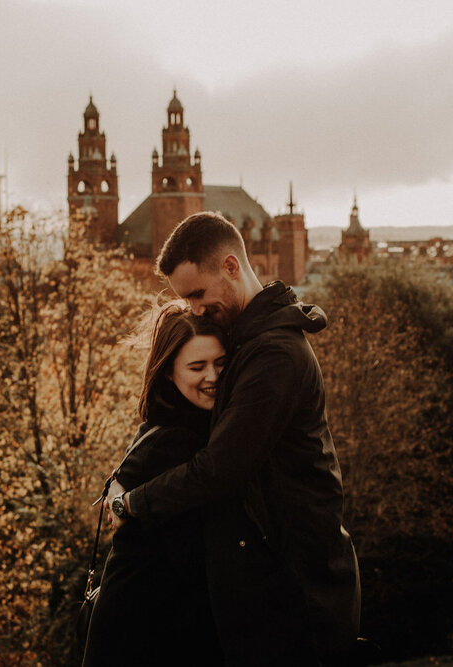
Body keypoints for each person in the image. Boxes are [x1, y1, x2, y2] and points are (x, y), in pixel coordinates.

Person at [107, 211, 361, 666]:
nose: (196, 309)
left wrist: (132, 502)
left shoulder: (274, 355)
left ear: (230, 266)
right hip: (276, 591)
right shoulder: (247, 341)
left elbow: (220, 468)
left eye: (198, 294)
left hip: (298, 594)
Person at [82, 302, 227, 667]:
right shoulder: (177, 443)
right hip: (144, 636)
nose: (213, 376)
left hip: (143, 627)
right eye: (197, 367)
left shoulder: (172, 424)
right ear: (168, 373)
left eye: (221, 363)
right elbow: (192, 560)